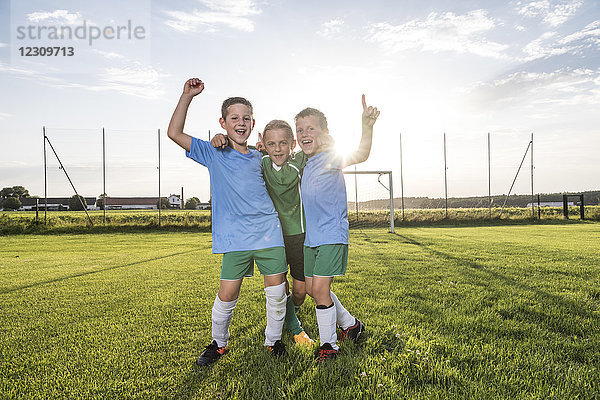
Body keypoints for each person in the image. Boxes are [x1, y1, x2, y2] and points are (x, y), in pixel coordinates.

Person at [167, 78, 289, 367]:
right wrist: (187, 96)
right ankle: (219, 344)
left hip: (269, 233)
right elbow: (174, 132)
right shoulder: (214, 152)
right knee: (227, 293)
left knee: (276, 292)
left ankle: (273, 341)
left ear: (253, 122)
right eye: (234, 118)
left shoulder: (261, 157)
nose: (241, 122)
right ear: (223, 122)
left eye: (246, 118)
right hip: (235, 238)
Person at [212, 120, 315, 347]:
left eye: (283, 143)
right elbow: (239, 151)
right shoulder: (259, 159)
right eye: (271, 144)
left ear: (292, 144)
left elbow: (299, 163)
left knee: (300, 290)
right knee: (280, 286)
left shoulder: (299, 160)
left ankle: (290, 314)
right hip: (270, 235)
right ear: (264, 143)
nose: (277, 148)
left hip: (297, 234)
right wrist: (221, 138)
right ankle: (294, 327)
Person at [295, 95, 380, 362]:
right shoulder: (304, 162)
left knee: (320, 290)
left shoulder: (332, 156)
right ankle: (352, 325)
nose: (304, 134)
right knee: (311, 289)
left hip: (332, 234)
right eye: (300, 130)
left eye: (311, 129)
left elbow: (362, 153)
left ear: (325, 133)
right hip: (312, 239)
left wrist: (367, 126)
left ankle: (329, 346)